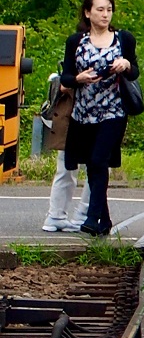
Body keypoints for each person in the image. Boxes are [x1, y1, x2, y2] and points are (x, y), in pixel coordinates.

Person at [60, 0, 139, 237]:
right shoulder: (76, 41)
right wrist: (78, 78)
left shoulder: (124, 39)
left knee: (98, 160)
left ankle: (92, 217)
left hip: (113, 111)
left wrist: (125, 65)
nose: (105, 14)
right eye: (100, 10)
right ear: (88, 13)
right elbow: (66, 76)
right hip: (84, 113)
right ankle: (103, 220)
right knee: (92, 165)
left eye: (109, 10)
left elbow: (135, 72)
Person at [37, 73, 90, 233]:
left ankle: (59, 215)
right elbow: (65, 84)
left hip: (72, 116)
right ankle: (74, 214)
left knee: (72, 168)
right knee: (90, 167)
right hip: (76, 116)